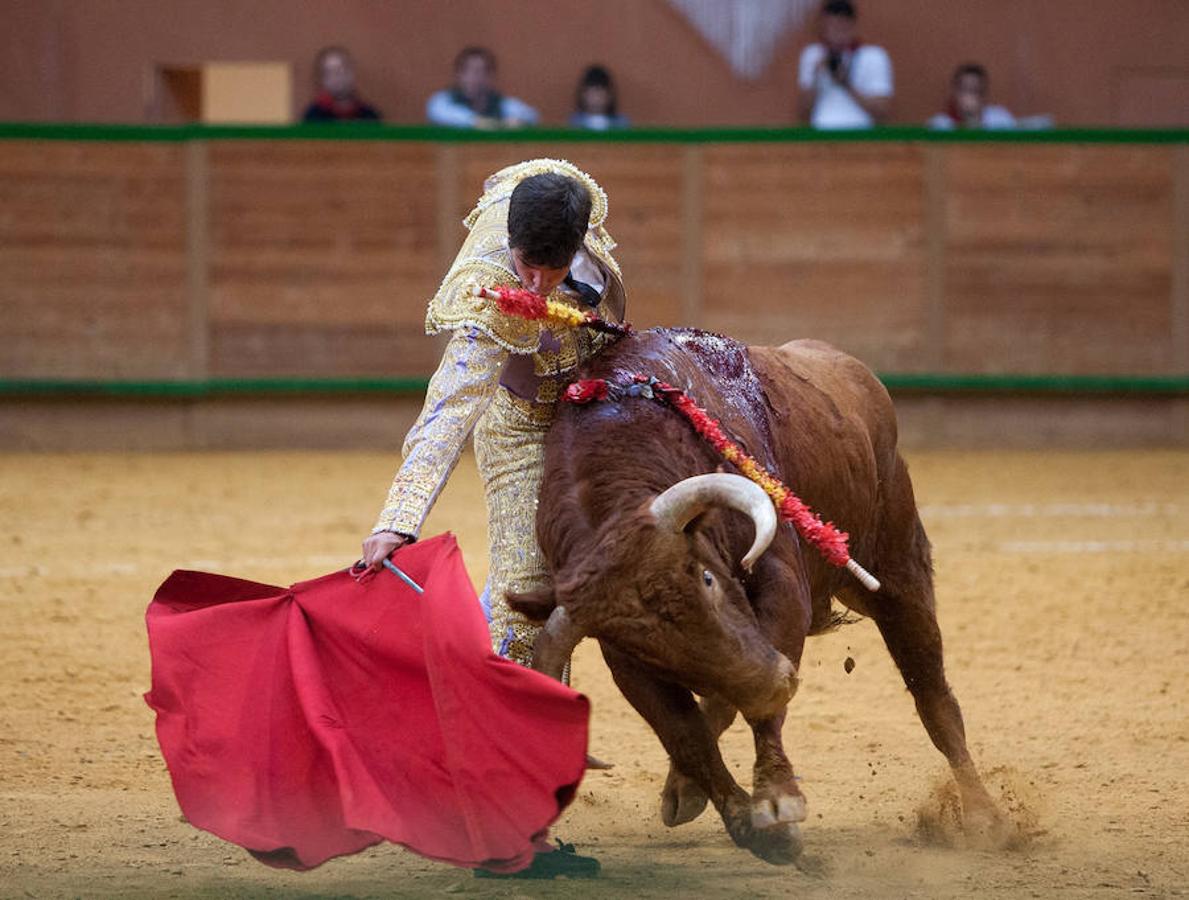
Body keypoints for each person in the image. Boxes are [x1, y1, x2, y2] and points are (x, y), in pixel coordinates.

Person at [361, 160, 622, 878]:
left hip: (599, 413)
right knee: (521, 597)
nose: (533, 288)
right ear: (507, 244)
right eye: (523, 267)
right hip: (521, 431)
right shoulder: (488, 297)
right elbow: (448, 409)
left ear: (577, 244)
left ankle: (543, 728)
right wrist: (399, 519)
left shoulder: (572, 208)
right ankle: (506, 829)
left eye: (551, 269)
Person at [797, 0, 893, 129]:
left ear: (852, 27)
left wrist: (846, 84)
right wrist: (816, 77)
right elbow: (803, 112)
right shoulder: (813, 55)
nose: (834, 34)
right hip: (821, 135)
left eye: (840, 28)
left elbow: (882, 111)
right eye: (829, 27)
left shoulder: (873, 56)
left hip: (860, 134)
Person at [426, 47, 539, 129]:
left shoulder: (501, 103)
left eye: (482, 72)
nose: (475, 78)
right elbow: (442, 114)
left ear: (491, 76)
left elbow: (531, 116)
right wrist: (493, 124)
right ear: (459, 74)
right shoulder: (442, 100)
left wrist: (519, 121)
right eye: (469, 71)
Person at [301, 46, 382, 122]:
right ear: (322, 80)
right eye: (329, 73)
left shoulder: (369, 116)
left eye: (341, 71)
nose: (336, 78)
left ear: (352, 73)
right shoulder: (313, 117)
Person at [928, 63, 1017, 130]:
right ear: (954, 93)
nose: (969, 96)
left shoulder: (1001, 119)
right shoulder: (939, 125)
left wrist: (973, 118)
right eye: (964, 89)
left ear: (984, 95)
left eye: (975, 90)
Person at [569, 65, 630, 130]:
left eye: (599, 94)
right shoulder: (575, 124)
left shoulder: (621, 123)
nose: (596, 99)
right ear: (583, 95)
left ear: (609, 96)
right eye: (592, 94)